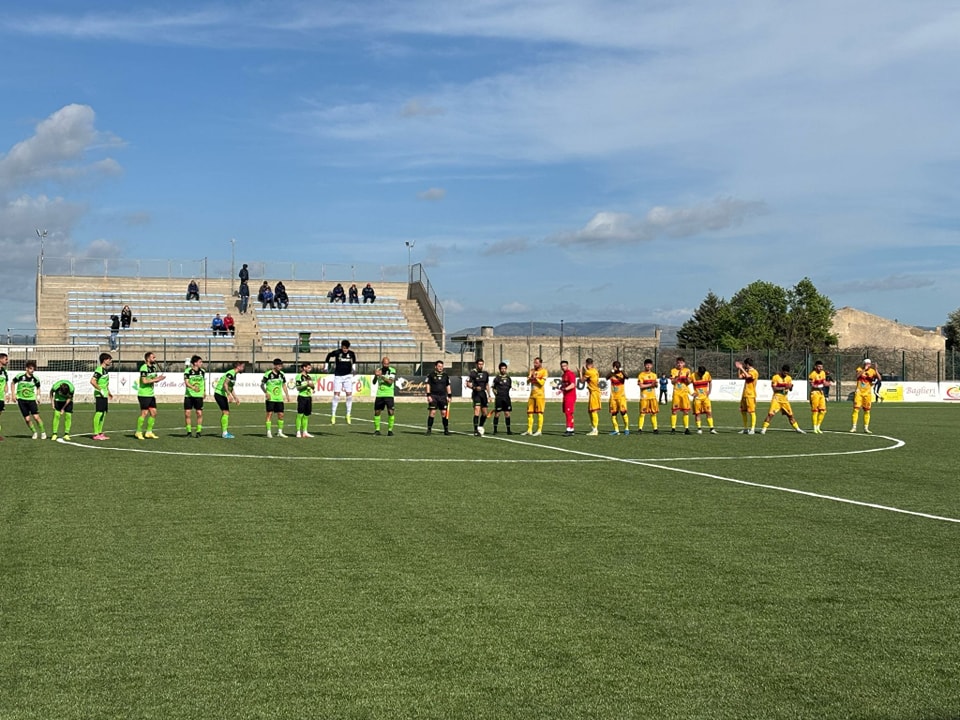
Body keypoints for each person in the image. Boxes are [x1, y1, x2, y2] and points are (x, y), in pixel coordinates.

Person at [760, 364, 806, 434]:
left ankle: (797, 429)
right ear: (782, 371)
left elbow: (790, 389)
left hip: (785, 399)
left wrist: (791, 387)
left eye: (787, 373)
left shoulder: (789, 378)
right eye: (785, 372)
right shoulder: (775, 377)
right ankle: (763, 429)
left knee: (790, 415)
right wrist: (784, 387)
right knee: (770, 414)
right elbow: (774, 388)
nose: (786, 374)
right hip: (777, 398)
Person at [325, 339, 357, 424]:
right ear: (341, 347)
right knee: (336, 395)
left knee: (349, 395)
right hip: (338, 376)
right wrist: (326, 367)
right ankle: (333, 415)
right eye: (343, 348)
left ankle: (348, 414)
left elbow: (354, 362)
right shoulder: (337, 352)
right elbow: (328, 355)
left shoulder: (351, 354)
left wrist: (354, 370)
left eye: (346, 348)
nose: (345, 350)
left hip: (348, 376)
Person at [12, 360, 46, 439]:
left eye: (33, 369)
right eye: (31, 368)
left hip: (31, 400)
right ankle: (34, 432)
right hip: (21, 400)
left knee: (36, 417)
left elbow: (38, 387)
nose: (32, 370)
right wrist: (13, 394)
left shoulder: (35, 379)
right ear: (27, 368)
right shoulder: (20, 376)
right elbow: (12, 383)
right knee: (27, 419)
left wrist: (38, 397)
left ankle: (43, 432)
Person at [136, 352, 166, 440]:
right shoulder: (144, 368)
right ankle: (138, 432)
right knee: (144, 413)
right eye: (153, 357)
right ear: (148, 359)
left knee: (154, 413)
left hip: (151, 394)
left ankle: (149, 432)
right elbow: (144, 381)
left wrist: (158, 379)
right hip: (144, 394)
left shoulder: (153, 368)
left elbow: (153, 380)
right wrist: (156, 379)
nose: (155, 359)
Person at [213, 360, 244, 439]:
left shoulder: (234, 374)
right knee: (226, 412)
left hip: (222, 394)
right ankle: (224, 433)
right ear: (238, 366)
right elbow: (225, 384)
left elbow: (230, 387)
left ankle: (225, 432)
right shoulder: (231, 373)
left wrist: (235, 397)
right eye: (242, 366)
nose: (243, 368)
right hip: (219, 393)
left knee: (226, 412)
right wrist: (228, 395)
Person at [261, 357, 291, 438]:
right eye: (279, 365)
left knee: (281, 414)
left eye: (281, 365)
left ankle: (280, 432)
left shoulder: (282, 374)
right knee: (269, 414)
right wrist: (266, 393)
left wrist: (287, 395)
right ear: (275, 365)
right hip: (271, 398)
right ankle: (268, 432)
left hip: (279, 398)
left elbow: (284, 385)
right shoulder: (268, 374)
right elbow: (262, 385)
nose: (280, 366)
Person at [851, 358, 879, 433]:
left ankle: (866, 428)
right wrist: (864, 370)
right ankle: (854, 427)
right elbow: (857, 376)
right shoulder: (859, 369)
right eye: (866, 364)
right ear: (863, 364)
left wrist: (876, 370)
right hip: (859, 392)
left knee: (867, 411)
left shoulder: (872, 371)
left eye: (869, 364)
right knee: (856, 409)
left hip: (867, 393)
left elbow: (879, 378)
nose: (868, 365)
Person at [90, 352, 113, 441]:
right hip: (100, 394)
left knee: (103, 413)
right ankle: (96, 433)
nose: (110, 361)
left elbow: (105, 383)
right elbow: (92, 381)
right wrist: (101, 390)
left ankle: (100, 432)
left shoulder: (105, 370)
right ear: (105, 360)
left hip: (104, 394)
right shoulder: (99, 370)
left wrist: (109, 392)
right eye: (109, 360)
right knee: (99, 412)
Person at [425, 360, 452, 435]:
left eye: (442, 366)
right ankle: (429, 430)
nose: (440, 368)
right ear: (435, 366)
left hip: (443, 396)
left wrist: (449, 396)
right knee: (432, 412)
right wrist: (428, 395)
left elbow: (448, 386)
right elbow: (428, 385)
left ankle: (446, 430)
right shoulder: (431, 375)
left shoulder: (445, 375)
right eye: (439, 366)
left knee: (444, 413)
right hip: (434, 396)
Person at [372, 356, 397, 436]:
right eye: (385, 363)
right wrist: (376, 376)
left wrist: (381, 376)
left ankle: (390, 430)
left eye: (387, 364)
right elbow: (374, 382)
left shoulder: (392, 370)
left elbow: (390, 382)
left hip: (389, 394)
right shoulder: (379, 370)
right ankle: (377, 430)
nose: (386, 365)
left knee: (391, 412)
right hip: (380, 394)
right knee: (377, 412)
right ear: (382, 363)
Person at [523, 357, 548, 436]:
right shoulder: (532, 371)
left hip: (540, 395)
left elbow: (541, 383)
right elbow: (527, 381)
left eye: (536, 363)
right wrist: (530, 378)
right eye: (534, 363)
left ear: (540, 363)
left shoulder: (544, 371)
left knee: (539, 413)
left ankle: (539, 430)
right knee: (529, 412)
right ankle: (529, 430)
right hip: (532, 395)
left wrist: (535, 378)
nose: (535, 364)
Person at [467, 359, 491, 436]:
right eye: (479, 364)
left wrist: (489, 395)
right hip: (476, 394)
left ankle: (480, 426)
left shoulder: (485, 373)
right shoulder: (473, 373)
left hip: (483, 394)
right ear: (476, 364)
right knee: (477, 410)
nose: (480, 366)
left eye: (482, 364)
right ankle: (475, 430)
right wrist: (474, 387)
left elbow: (487, 385)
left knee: (485, 413)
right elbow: (468, 384)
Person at [183, 355, 206, 437]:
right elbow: (186, 382)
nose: (201, 363)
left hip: (199, 396)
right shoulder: (188, 371)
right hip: (189, 395)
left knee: (199, 413)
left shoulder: (202, 371)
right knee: (187, 413)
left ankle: (198, 431)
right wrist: (193, 387)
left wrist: (204, 391)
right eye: (200, 362)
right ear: (195, 363)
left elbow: (203, 383)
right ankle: (189, 432)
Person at [670, 356, 693, 435]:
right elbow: (672, 382)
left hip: (684, 394)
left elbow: (689, 382)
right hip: (676, 394)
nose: (679, 364)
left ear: (684, 363)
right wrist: (678, 376)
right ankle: (673, 428)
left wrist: (686, 378)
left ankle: (686, 428)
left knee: (686, 411)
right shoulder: (673, 370)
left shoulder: (687, 370)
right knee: (674, 412)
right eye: (678, 363)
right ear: (676, 363)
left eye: (681, 363)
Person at [691, 365, 718, 434]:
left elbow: (710, 382)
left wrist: (709, 391)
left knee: (709, 412)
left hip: (705, 398)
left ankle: (712, 428)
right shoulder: (693, 375)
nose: (702, 375)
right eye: (700, 374)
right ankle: (699, 429)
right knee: (697, 414)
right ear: (698, 372)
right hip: (697, 398)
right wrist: (692, 392)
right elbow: (686, 384)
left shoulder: (707, 374)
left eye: (703, 374)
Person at [606, 361, 629, 436]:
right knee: (613, 414)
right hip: (613, 397)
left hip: (621, 397)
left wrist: (621, 370)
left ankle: (626, 428)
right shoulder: (611, 374)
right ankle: (616, 430)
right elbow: (606, 377)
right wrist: (612, 371)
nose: (616, 367)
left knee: (623, 413)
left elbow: (627, 377)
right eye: (615, 366)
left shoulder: (622, 374)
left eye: (617, 366)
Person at [736, 357, 759, 434]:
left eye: (745, 365)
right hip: (744, 395)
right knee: (743, 411)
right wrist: (739, 369)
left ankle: (752, 429)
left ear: (747, 365)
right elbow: (739, 377)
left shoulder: (754, 372)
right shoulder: (747, 371)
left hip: (751, 395)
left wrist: (741, 368)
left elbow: (749, 376)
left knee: (752, 412)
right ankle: (745, 428)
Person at [637, 359, 660, 433]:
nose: (648, 366)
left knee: (653, 413)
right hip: (644, 397)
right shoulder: (641, 375)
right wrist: (651, 384)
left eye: (649, 365)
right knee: (642, 413)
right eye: (647, 365)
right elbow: (641, 386)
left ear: (652, 366)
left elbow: (656, 385)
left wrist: (656, 384)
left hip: (652, 397)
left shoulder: (654, 375)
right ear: (644, 365)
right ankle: (640, 428)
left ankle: (655, 429)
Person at [490, 362, 513, 435]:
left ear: (506, 369)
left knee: (507, 413)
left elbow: (509, 387)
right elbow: (493, 388)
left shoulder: (509, 378)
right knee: (497, 414)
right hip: (499, 398)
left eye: (504, 368)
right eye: (502, 368)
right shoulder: (497, 378)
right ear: (499, 369)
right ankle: (495, 430)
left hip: (506, 398)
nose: (503, 370)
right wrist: (496, 394)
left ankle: (508, 430)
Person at [580, 358, 601, 435]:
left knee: (593, 411)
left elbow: (582, 380)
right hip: (595, 392)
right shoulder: (595, 370)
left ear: (586, 364)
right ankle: (593, 428)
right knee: (590, 411)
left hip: (594, 393)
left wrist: (580, 372)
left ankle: (595, 429)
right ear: (592, 364)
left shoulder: (589, 372)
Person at [295, 362, 316, 438]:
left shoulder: (309, 377)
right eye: (308, 367)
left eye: (310, 368)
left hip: (308, 397)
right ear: (304, 368)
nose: (310, 369)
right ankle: (298, 431)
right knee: (300, 414)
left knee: (306, 415)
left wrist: (312, 387)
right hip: (302, 397)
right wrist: (306, 384)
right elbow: (298, 388)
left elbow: (312, 386)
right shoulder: (299, 376)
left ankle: (305, 432)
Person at [808, 360, 830, 434]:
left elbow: (824, 382)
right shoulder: (812, 374)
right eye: (819, 366)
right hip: (814, 393)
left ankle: (818, 426)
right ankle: (814, 428)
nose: (821, 368)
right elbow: (812, 385)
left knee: (823, 411)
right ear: (815, 367)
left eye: (821, 367)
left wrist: (827, 383)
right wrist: (820, 386)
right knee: (815, 411)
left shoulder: (823, 373)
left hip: (821, 393)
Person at [560, 360, 577, 437]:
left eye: (564, 366)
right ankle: (571, 429)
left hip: (570, 396)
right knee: (568, 413)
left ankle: (569, 429)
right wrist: (561, 387)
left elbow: (573, 385)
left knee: (568, 413)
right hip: (565, 396)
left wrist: (565, 389)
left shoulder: (570, 374)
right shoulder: (563, 375)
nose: (563, 367)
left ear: (567, 366)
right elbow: (564, 385)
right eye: (562, 366)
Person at [0, 352, 9, 441]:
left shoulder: (4, 372)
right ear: (1, 359)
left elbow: (6, 384)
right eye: (6, 359)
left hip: (1, 398)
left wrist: (7, 394)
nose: (7, 361)